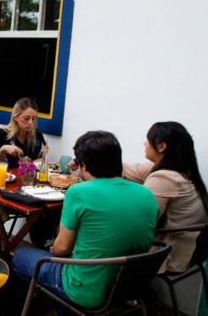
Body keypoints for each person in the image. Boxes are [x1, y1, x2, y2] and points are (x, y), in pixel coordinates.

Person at [12, 131, 159, 310]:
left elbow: (61, 249)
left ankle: (57, 306)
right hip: (128, 287)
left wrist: (56, 248)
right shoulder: (146, 194)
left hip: (83, 289)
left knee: (19, 256)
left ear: (83, 166)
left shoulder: (79, 192)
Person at [123, 121, 208, 273]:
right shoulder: (180, 169)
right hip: (186, 250)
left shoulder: (165, 179)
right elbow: (130, 170)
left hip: (165, 257)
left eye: (147, 140)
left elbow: (138, 225)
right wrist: (95, 158)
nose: (144, 143)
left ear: (161, 146)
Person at [0, 98, 46, 169]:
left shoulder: (37, 134)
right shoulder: (1, 134)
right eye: (26, 118)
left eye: (34, 118)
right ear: (15, 117)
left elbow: (42, 159)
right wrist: (2, 150)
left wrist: (40, 159)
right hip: (7, 177)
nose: (31, 122)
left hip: (29, 177)